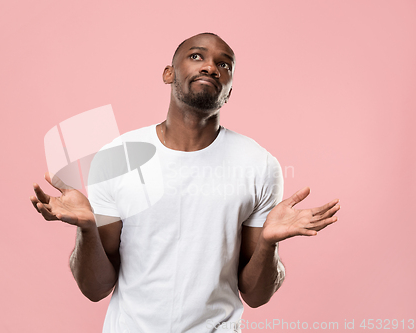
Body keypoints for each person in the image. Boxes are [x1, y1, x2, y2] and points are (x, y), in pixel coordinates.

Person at [30, 32, 340, 332]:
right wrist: (87, 229)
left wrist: (268, 245)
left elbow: (256, 296)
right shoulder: (117, 158)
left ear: (230, 91)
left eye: (225, 64)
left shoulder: (259, 165)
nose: (210, 67)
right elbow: (95, 289)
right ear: (168, 73)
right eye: (196, 56)